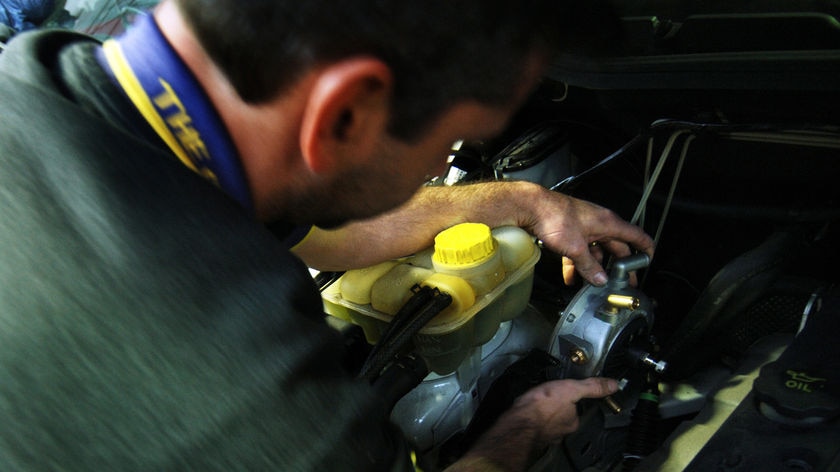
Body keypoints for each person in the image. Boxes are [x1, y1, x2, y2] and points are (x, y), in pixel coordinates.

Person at [0, 0, 653, 470]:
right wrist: (526, 428)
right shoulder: (253, 402)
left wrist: (525, 203)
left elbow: (333, 237)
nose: (439, 166)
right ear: (343, 114)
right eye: (448, 143)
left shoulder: (53, 86)